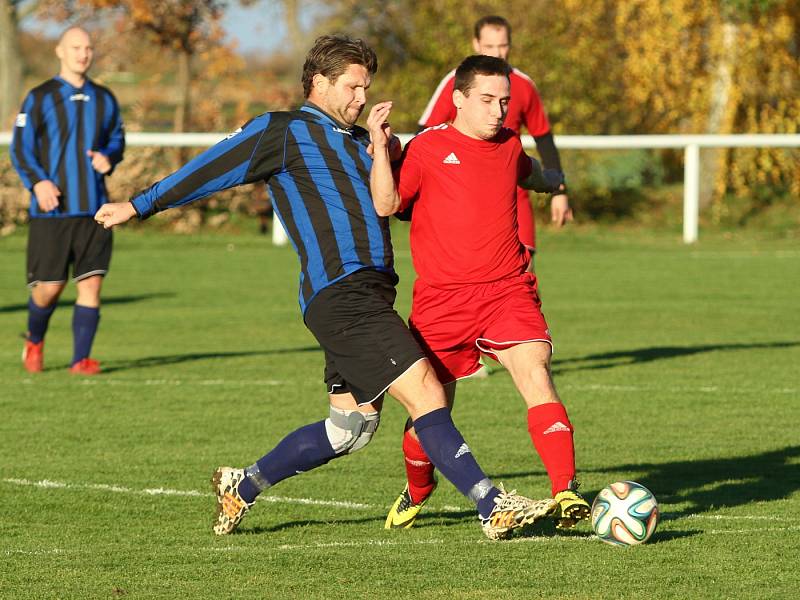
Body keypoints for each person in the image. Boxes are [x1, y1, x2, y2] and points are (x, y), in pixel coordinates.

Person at [94, 35, 556, 540]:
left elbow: (430, 184)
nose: (361, 97)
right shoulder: (284, 130)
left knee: (349, 430)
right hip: (341, 292)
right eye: (353, 87)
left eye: (366, 87)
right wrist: (140, 205)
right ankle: (492, 506)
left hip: (373, 294)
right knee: (426, 391)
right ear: (319, 82)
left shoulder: (365, 142)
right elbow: (213, 166)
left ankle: (242, 484)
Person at [370, 55, 590, 531]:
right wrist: (378, 150)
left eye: (505, 102)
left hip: (508, 290)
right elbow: (387, 205)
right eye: (487, 100)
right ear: (459, 99)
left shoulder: (510, 145)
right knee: (430, 411)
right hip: (442, 302)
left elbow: (528, 171)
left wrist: (557, 184)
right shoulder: (428, 149)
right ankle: (418, 489)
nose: (498, 111)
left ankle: (566, 491)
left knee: (535, 372)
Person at [10, 26, 125, 375]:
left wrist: (109, 157)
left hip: (96, 209)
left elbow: (117, 139)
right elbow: (20, 148)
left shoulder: (105, 98)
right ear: (60, 51)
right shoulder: (39, 97)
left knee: (91, 283)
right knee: (49, 288)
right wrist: (38, 183)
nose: (83, 53)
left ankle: (81, 360)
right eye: (76, 47)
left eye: (88, 47)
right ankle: (34, 339)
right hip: (52, 212)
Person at [418, 15, 572, 262]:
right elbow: (423, 136)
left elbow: (543, 138)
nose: (497, 53)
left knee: (523, 275)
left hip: (515, 196)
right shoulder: (457, 83)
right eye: (490, 47)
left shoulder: (523, 85)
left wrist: (559, 191)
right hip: (467, 200)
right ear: (477, 45)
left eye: (502, 46)